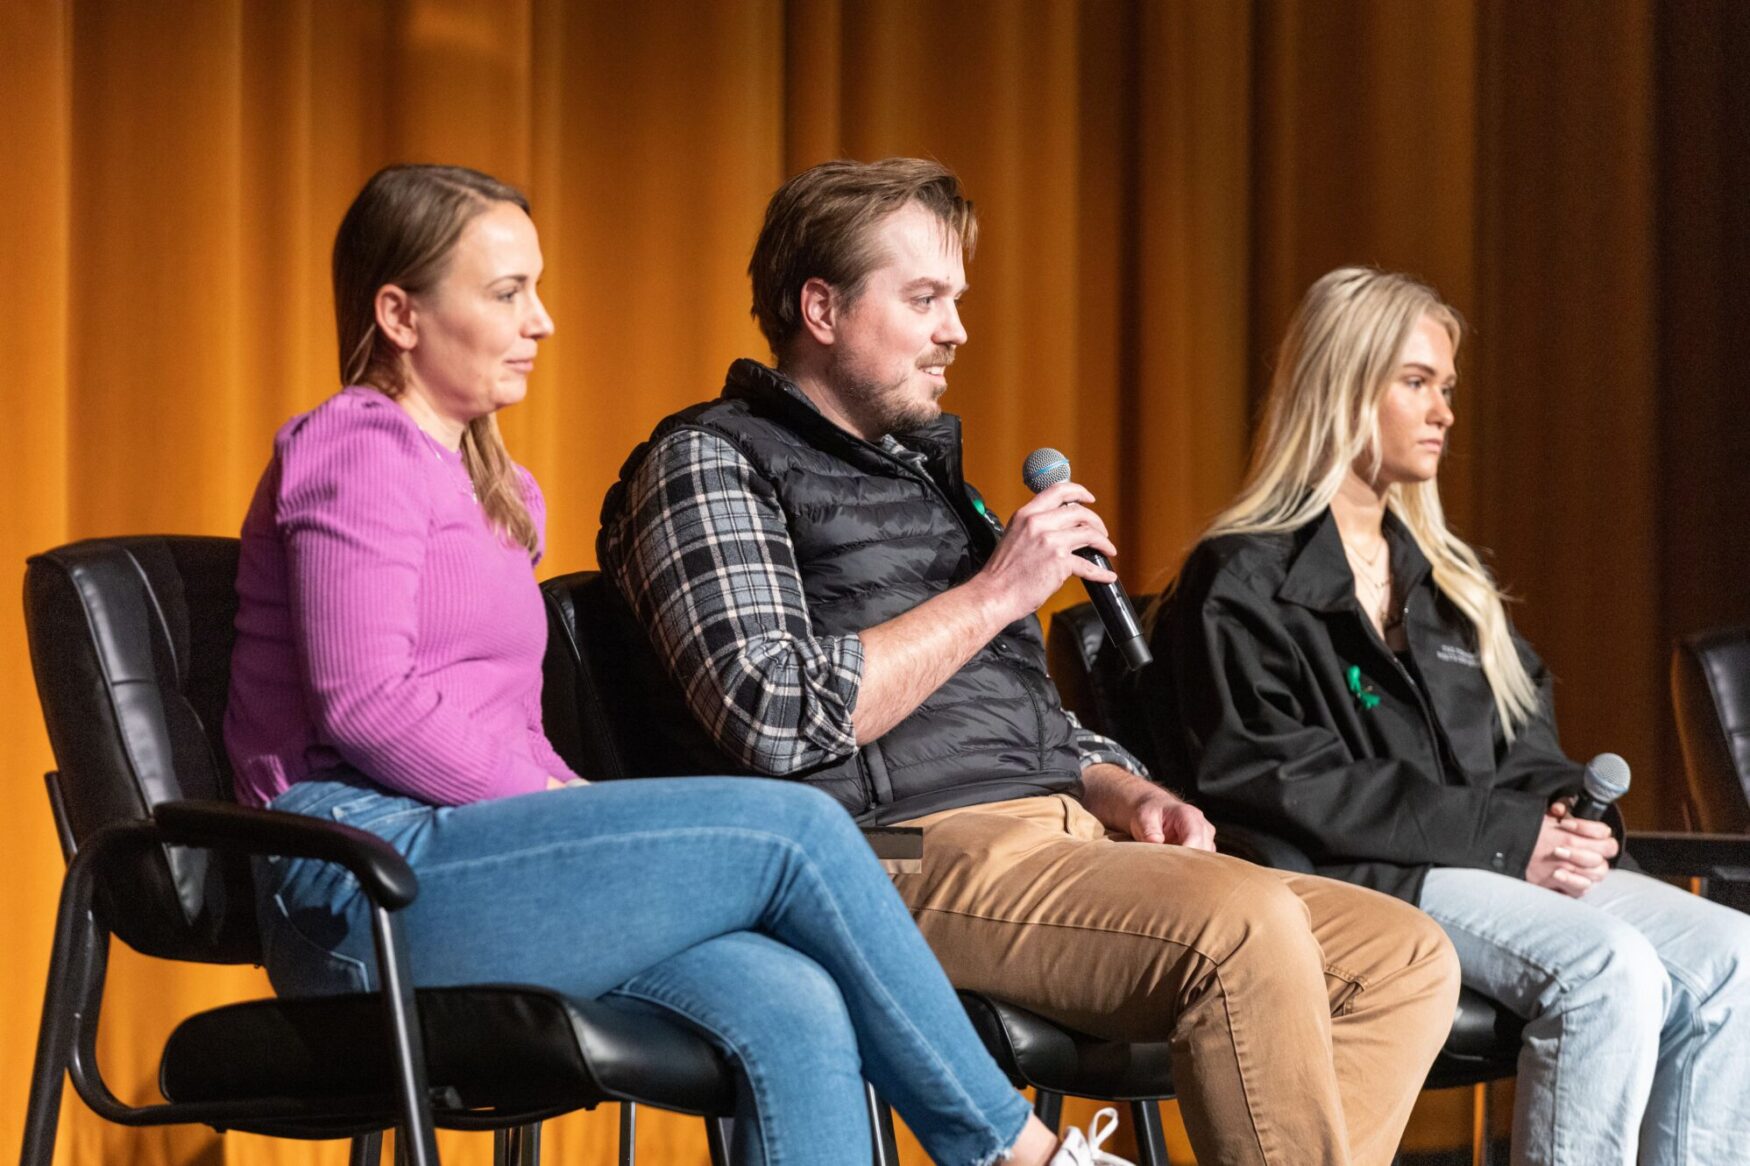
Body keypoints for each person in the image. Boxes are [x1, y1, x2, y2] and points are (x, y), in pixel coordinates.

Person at [224, 162, 1128, 1166]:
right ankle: (1018, 1149)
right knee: (797, 828)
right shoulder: (353, 447)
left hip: (474, 856)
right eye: (506, 291)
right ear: (399, 312)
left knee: (794, 1000)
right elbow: (367, 705)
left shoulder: (501, 490)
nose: (543, 320)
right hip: (360, 880)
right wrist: (558, 801)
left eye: (538, 286)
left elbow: (502, 720)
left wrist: (554, 802)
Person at [597, 158, 1461, 1166]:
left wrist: (1118, 784)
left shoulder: (931, 481)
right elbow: (773, 715)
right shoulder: (709, 459)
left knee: (1401, 955)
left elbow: (1028, 718)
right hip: (886, 856)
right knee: (1243, 923)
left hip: (1057, 840)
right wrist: (999, 588)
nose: (956, 330)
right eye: (924, 299)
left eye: (955, 301)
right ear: (820, 306)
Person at [1147, 265, 1750, 1166]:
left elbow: (1526, 755)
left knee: (1736, 958)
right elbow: (1276, 779)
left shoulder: (1450, 582)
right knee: (1607, 971)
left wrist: (1567, 822)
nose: (1444, 412)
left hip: (1489, 856)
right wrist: (1510, 834)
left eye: (1448, 388)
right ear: (1344, 385)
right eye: (1417, 382)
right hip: (1359, 876)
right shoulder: (1241, 578)